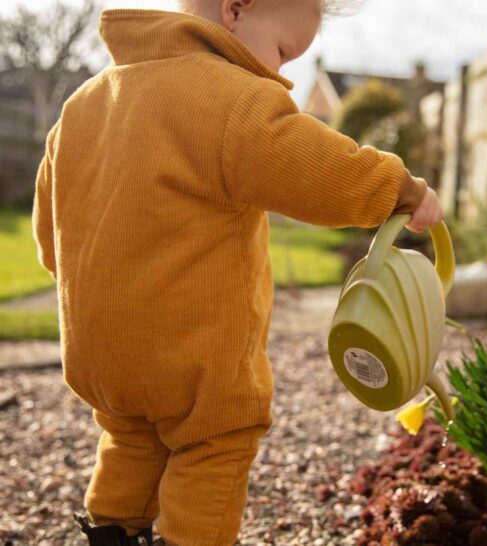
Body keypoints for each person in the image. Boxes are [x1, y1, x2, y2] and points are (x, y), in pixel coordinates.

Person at [32, 1, 444, 544]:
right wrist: (399, 190)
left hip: (97, 351)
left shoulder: (81, 106)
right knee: (215, 438)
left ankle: (111, 533)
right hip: (188, 350)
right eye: (281, 51)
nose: (281, 74)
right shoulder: (229, 97)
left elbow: (51, 232)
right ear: (235, 10)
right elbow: (317, 170)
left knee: (132, 435)